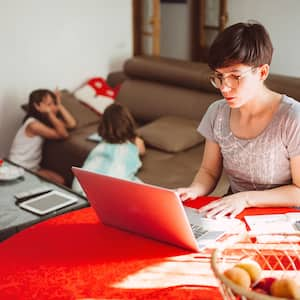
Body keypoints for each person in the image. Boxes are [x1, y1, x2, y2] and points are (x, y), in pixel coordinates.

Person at [177, 21, 300, 218]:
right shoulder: (217, 113)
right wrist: (193, 190)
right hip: (234, 212)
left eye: (235, 76)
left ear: (262, 72)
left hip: (282, 217)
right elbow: (208, 171)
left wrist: (245, 198)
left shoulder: (292, 117)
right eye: (219, 76)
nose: (224, 87)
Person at [72, 102, 145, 194]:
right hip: (109, 189)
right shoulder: (135, 141)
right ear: (128, 121)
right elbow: (142, 151)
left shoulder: (103, 141)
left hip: (80, 186)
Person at [9, 89, 77, 184]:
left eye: (54, 103)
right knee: (59, 181)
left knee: (60, 181)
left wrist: (59, 105)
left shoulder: (46, 121)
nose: (53, 107)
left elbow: (71, 124)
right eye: (49, 104)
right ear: (37, 106)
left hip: (33, 168)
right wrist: (49, 113)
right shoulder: (33, 125)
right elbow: (64, 135)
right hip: (19, 167)